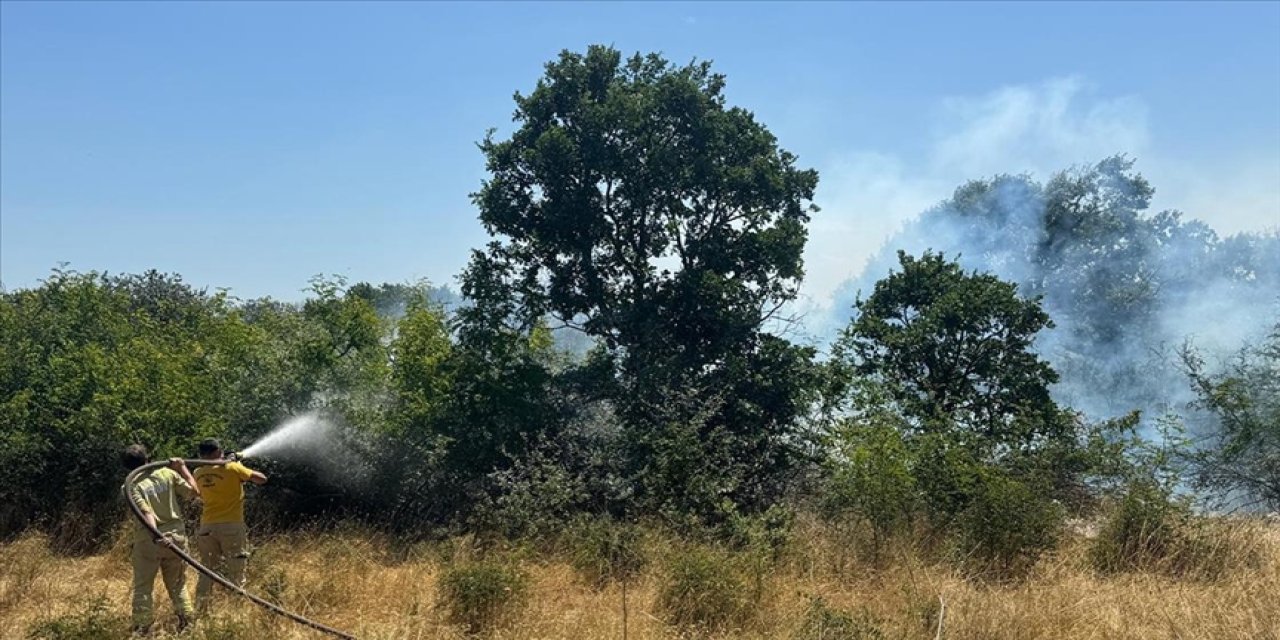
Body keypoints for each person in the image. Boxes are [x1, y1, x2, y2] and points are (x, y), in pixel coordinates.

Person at [121, 444, 200, 634]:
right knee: (178, 584)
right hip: (176, 539)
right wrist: (182, 468)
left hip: (149, 540)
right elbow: (194, 492)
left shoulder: (130, 486)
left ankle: (142, 629)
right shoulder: (167, 473)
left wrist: (156, 536)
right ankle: (188, 624)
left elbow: (146, 513)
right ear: (148, 458)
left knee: (143, 586)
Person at [192, 438, 267, 612]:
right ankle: (236, 611)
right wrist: (236, 464)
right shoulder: (232, 468)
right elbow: (261, 479)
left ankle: (201, 609)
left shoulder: (197, 473)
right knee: (236, 570)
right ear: (218, 451)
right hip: (231, 526)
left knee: (206, 569)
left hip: (207, 527)